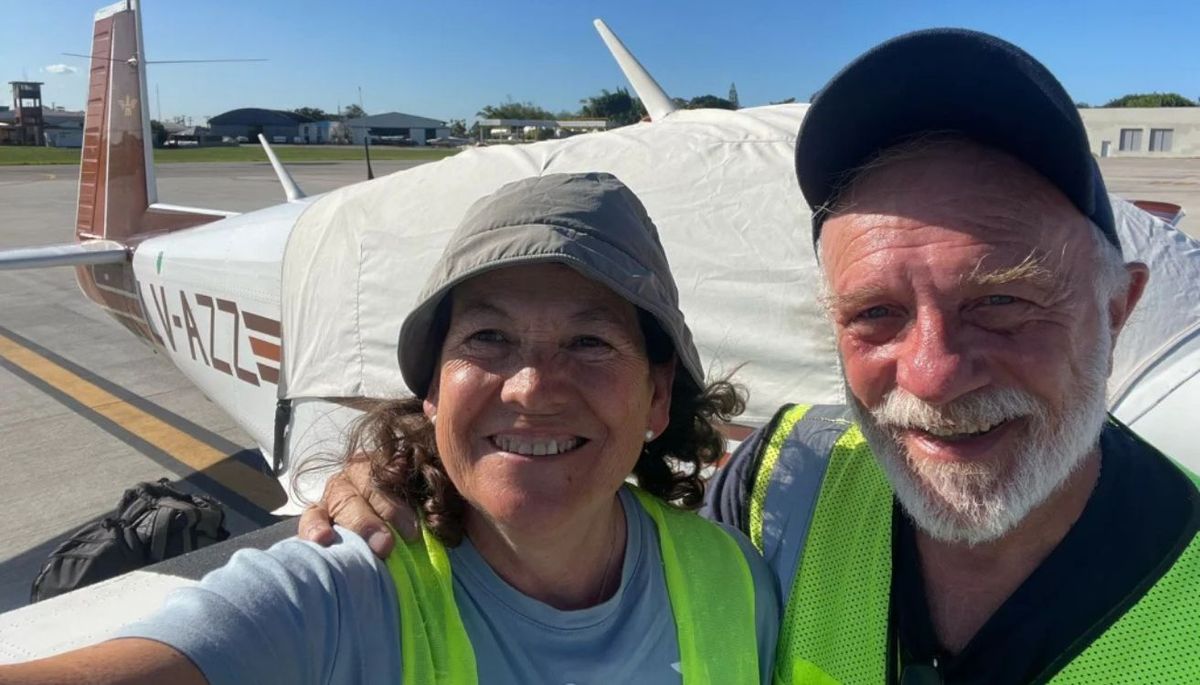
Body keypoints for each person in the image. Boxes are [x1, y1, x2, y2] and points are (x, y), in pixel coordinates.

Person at [306, 30, 1200, 683]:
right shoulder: (787, 483)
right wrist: (408, 471)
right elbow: (588, 515)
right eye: (876, 314)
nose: (931, 373)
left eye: (1002, 302)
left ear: (1118, 310)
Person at [0, 173, 778, 684]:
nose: (534, 386)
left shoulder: (739, 583)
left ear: (657, 395)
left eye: (590, 341)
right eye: (487, 337)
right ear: (433, 391)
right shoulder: (347, 586)